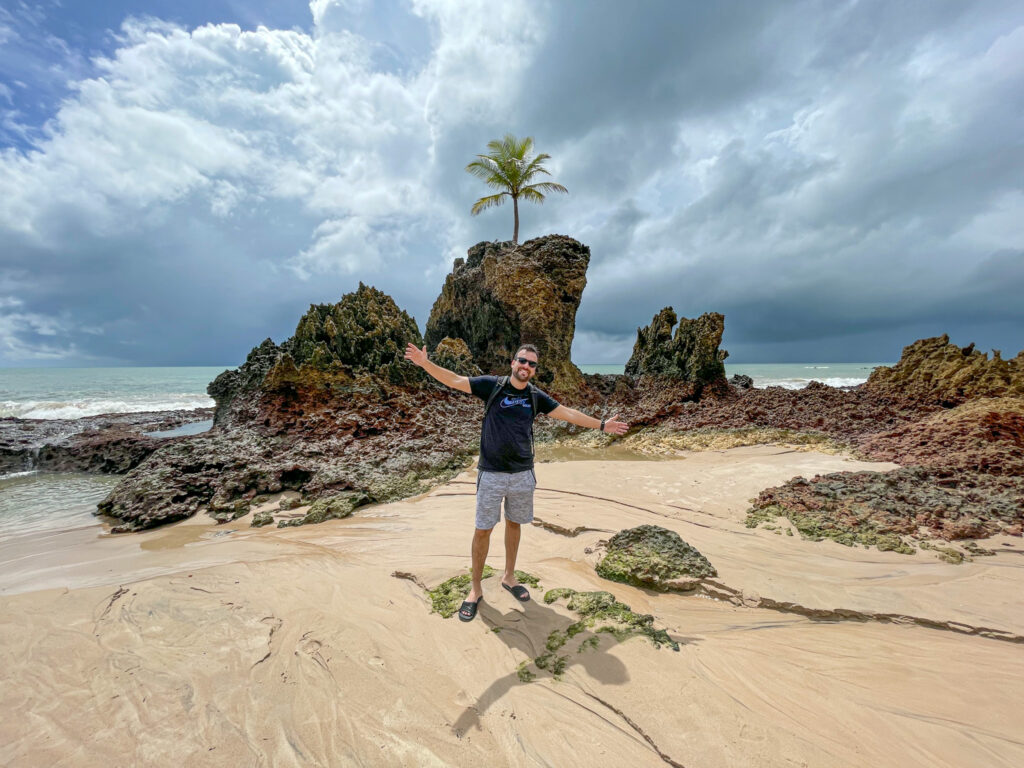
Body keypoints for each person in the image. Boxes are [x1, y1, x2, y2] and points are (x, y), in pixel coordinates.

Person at [403, 341, 629, 622]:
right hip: (491, 474)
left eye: (532, 364)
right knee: (483, 529)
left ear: (534, 370)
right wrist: (425, 363)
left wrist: (602, 425)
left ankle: (509, 577)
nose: (526, 367)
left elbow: (568, 413)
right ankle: (475, 590)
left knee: (514, 524)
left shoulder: (536, 397)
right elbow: (455, 380)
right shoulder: (492, 386)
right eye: (522, 361)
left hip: (523, 474)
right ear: (513, 362)